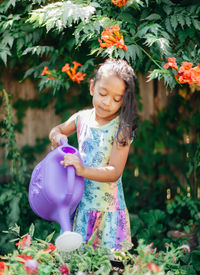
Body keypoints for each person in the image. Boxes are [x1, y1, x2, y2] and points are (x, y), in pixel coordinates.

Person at [49, 58, 137, 250]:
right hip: (81, 204)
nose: (107, 103)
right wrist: (57, 138)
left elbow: (114, 172)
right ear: (92, 87)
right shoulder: (81, 118)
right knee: (80, 264)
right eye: (103, 93)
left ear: (124, 100)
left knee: (109, 270)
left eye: (116, 99)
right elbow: (58, 130)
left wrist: (82, 169)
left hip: (107, 210)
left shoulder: (121, 129)